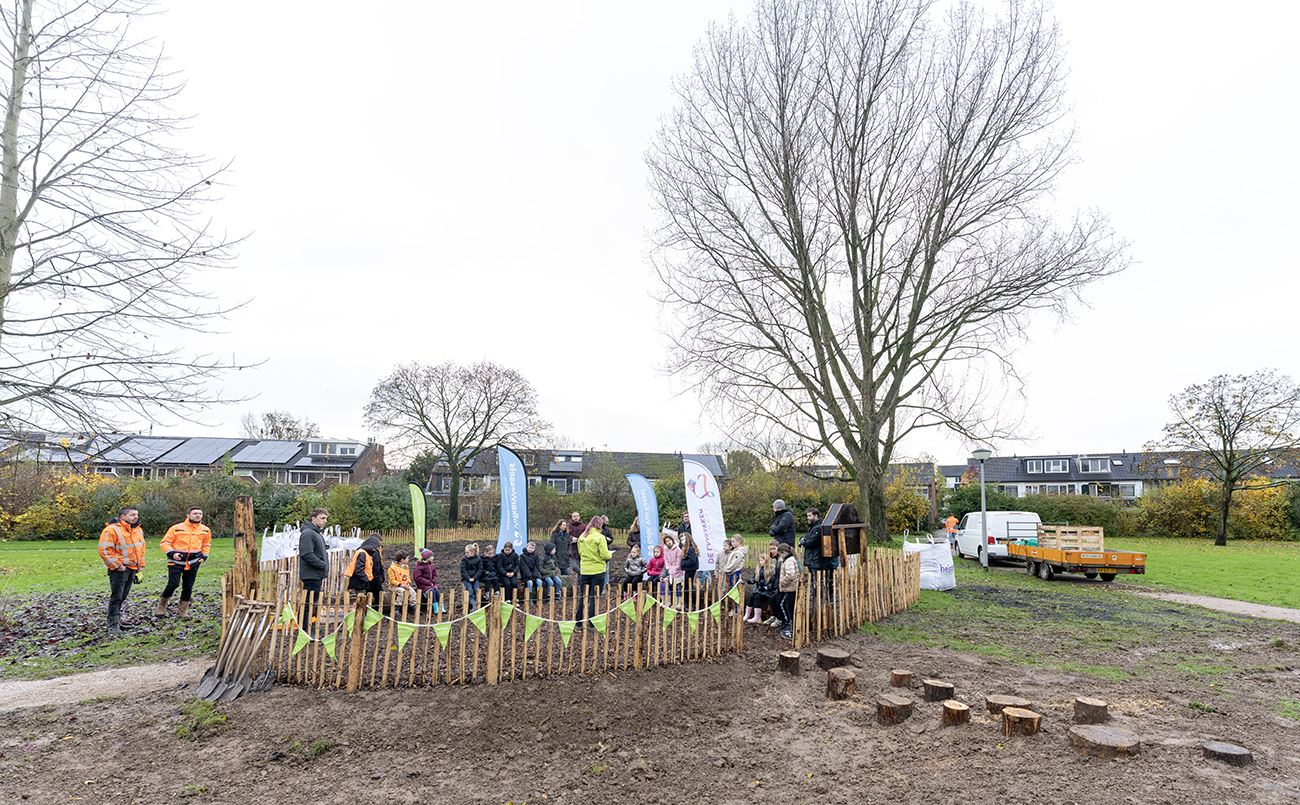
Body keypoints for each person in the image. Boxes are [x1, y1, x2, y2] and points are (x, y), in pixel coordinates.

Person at [156, 506, 212, 619]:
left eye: (200, 514)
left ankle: (183, 612)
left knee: (188, 587)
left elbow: (206, 544)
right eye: (195, 513)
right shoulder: (176, 528)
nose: (198, 515)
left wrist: (204, 556)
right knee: (173, 584)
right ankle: (161, 606)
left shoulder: (205, 529)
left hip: (194, 562)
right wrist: (172, 553)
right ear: (188, 515)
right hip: (176, 561)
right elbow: (165, 542)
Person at [98, 506, 146, 635]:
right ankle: (112, 625)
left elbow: (141, 548)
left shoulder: (137, 530)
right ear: (123, 517)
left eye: (136, 515)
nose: (136, 517)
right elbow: (104, 550)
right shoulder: (111, 530)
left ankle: (117, 621)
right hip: (119, 569)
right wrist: (118, 565)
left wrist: (140, 565)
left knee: (123, 596)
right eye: (132, 515)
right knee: (117, 597)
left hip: (131, 568)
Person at [575, 516, 612, 628]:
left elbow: (580, 553)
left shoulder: (582, 537)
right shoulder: (600, 537)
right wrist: (610, 554)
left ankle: (579, 621)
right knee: (594, 596)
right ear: (599, 525)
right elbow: (605, 555)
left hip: (585, 570)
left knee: (583, 595)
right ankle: (592, 622)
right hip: (597, 570)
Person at [298, 508, 329, 624]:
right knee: (307, 603)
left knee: (311, 602)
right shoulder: (308, 533)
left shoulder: (315, 533)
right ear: (313, 519)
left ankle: (307, 625)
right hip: (311, 574)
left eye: (326, 518)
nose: (325, 521)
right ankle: (304, 628)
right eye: (322, 518)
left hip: (315, 574)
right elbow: (306, 554)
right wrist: (322, 565)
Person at [800, 507, 836, 602]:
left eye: (809, 516)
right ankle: (817, 598)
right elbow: (807, 539)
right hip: (811, 559)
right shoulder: (812, 527)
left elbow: (811, 542)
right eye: (807, 516)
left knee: (819, 582)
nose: (807, 518)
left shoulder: (819, 527)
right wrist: (803, 540)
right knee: (813, 582)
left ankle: (823, 599)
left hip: (816, 559)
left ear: (816, 516)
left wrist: (804, 542)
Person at [347, 533, 385, 609]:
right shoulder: (362, 553)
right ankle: (362, 616)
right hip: (360, 582)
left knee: (370, 598)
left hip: (367, 580)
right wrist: (366, 580)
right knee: (362, 601)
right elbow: (359, 569)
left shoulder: (370, 553)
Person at [744, 549, 777, 624]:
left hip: (767, 590)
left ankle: (757, 617)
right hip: (759, 588)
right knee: (752, 596)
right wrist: (752, 581)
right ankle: (747, 614)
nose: (760, 562)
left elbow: (772, 582)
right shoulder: (758, 568)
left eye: (761, 560)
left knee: (757, 597)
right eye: (759, 560)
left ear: (766, 561)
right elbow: (755, 577)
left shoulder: (771, 570)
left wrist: (766, 588)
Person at [775, 542, 800, 639]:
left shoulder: (789, 561)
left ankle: (790, 627)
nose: (780, 556)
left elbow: (790, 575)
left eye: (780, 554)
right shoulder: (790, 559)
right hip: (790, 587)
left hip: (790, 588)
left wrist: (782, 582)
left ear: (784, 552)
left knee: (786, 606)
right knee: (787, 606)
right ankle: (788, 624)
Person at [414, 549, 441, 614]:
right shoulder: (419, 567)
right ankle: (434, 607)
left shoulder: (431, 565)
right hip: (423, 585)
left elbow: (435, 574)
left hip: (431, 584)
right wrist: (428, 583)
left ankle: (440, 606)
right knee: (431, 592)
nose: (433, 557)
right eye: (431, 556)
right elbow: (418, 578)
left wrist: (433, 581)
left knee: (437, 592)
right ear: (427, 557)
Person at [679, 533, 700, 610]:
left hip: (691, 569)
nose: (682, 541)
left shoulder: (691, 548)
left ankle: (692, 604)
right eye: (681, 540)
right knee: (686, 586)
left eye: (683, 539)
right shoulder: (685, 548)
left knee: (689, 586)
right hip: (687, 570)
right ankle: (686, 603)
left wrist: (683, 563)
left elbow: (692, 560)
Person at [460, 544, 483, 609]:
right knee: (470, 591)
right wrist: (468, 578)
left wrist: (475, 578)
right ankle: (474, 605)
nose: (466, 554)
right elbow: (463, 570)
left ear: (473, 552)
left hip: (475, 578)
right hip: (466, 579)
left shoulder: (478, 559)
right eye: (465, 552)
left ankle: (477, 603)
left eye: (467, 553)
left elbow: (480, 570)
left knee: (477, 590)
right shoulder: (464, 559)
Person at [661, 534, 682, 598]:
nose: (669, 542)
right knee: (674, 586)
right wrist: (668, 567)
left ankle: (679, 601)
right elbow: (666, 559)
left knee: (679, 586)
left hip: (678, 569)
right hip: (671, 569)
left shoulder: (677, 549)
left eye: (669, 540)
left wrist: (676, 567)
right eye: (667, 541)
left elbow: (679, 559)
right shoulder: (666, 550)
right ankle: (675, 602)